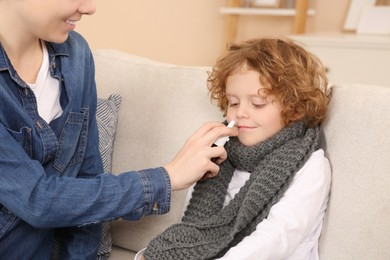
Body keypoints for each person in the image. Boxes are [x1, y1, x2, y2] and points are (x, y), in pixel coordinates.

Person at [0, 0, 237, 258]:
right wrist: (167, 177)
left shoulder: (76, 55)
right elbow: (38, 200)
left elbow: (86, 176)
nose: (90, 8)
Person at [142, 38, 332, 260]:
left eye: (258, 103)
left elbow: (278, 238)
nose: (240, 112)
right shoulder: (219, 152)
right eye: (233, 102)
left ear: (296, 109)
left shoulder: (311, 164)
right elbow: (194, 226)